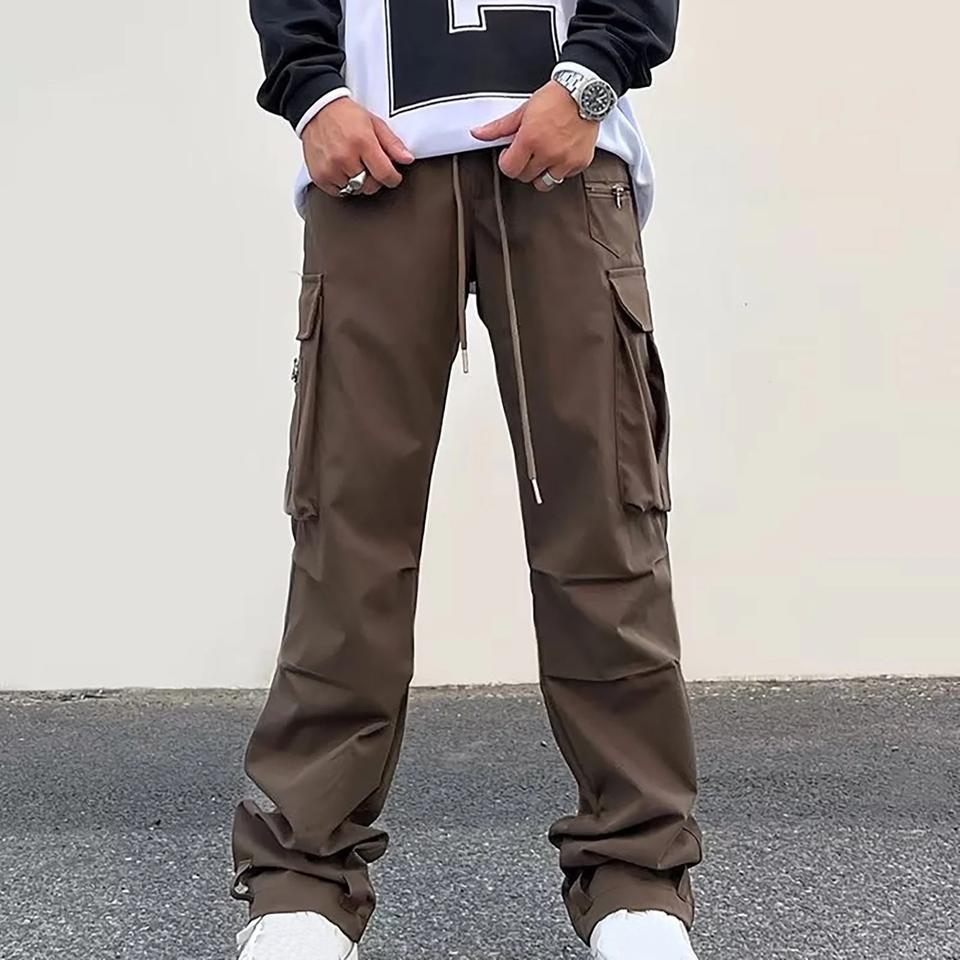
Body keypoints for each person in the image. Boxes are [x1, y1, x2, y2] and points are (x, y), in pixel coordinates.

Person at [231, 2, 703, 958]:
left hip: (565, 156)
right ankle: (303, 881)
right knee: (348, 526)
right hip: (376, 155)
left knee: (603, 518)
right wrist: (311, 91)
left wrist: (590, 80)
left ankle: (637, 876)